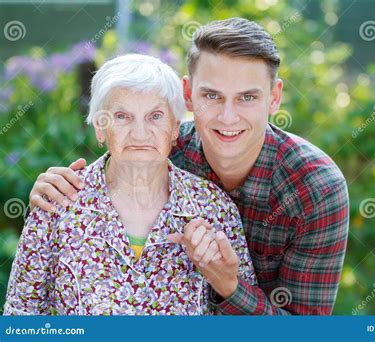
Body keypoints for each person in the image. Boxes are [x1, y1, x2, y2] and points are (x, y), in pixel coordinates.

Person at [28, 18, 349, 315]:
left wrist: (230, 287)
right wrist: (53, 195)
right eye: (212, 95)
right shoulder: (159, 149)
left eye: (247, 98)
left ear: (274, 98)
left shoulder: (315, 188)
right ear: (187, 95)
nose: (228, 117)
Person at [4, 54, 255, 315]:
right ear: (100, 128)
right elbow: (21, 317)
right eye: (122, 116)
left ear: (175, 129)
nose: (140, 133)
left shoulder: (213, 207)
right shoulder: (57, 202)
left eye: (155, 116)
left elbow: (244, 324)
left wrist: (224, 279)